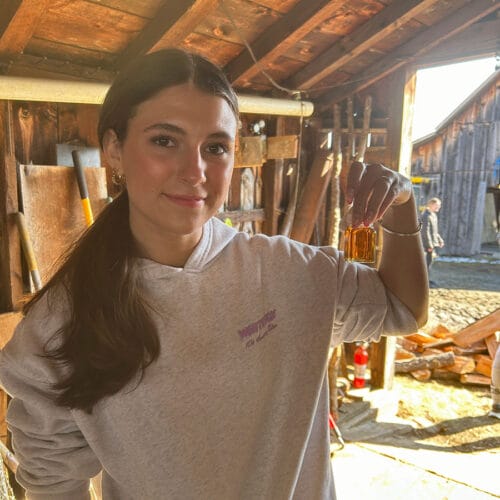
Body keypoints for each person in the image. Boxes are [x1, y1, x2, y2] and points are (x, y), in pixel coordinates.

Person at [0, 48, 428, 500]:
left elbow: (403, 309)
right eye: (165, 140)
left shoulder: (291, 274)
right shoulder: (59, 324)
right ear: (113, 149)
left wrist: (402, 207)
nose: (195, 172)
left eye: (215, 147)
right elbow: (53, 484)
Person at [420, 197, 444, 285]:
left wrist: (439, 240)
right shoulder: (425, 216)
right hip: (426, 245)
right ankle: (423, 281)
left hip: (433, 243)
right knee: (425, 263)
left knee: (429, 263)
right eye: (437, 205)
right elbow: (425, 232)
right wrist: (429, 245)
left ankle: (427, 280)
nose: (439, 207)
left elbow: (434, 231)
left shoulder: (433, 215)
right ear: (432, 205)